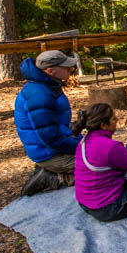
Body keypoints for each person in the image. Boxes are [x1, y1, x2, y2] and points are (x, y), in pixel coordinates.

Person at [72, 103, 127, 222]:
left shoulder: (85, 141)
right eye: (114, 118)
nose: (117, 120)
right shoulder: (110, 147)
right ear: (104, 125)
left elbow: (120, 158)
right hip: (108, 208)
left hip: (86, 203)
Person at [14, 50, 80, 196]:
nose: (70, 70)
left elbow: (55, 125)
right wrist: (79, 147)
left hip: (52, 148)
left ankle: (53, 170)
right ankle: (55, 177)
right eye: (67, 68)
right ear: (51, 71)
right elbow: (50, 137)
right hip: (49, 153)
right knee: (101, 165)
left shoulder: (48, 86)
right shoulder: (39, 95)